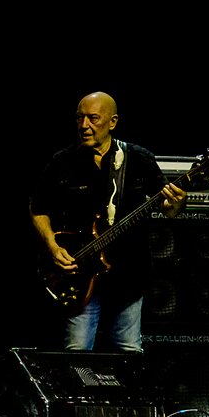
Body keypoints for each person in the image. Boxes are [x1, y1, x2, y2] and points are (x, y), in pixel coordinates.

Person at [29, 91, 186, 352]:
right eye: (79, 118)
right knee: (78, 351)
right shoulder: (62, 161)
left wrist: (178, 203)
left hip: (128, 275)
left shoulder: (138, 159)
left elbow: (169, 209)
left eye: (93, 118)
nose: (84, 125)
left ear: (112, 122)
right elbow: (38, 209)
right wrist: (53, 246)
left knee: (128, 350)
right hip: (79, 274)